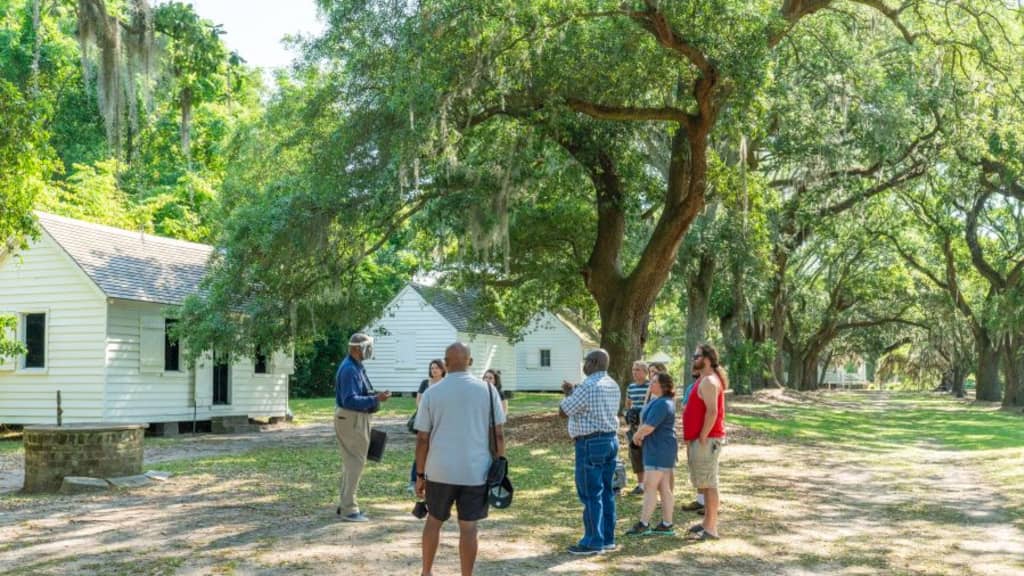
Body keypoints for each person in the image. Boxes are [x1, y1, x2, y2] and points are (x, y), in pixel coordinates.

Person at [414, 343, 506, 576]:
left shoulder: (432, 392)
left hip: (439, 469)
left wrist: (420, 474)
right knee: (468, 528)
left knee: (434, 521)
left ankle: (426, 572)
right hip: (475, 471)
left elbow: (422, 438)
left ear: (445, 363)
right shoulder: (487, 390)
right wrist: (500, 462)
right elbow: (498, 434)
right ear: (470, 362)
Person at [559, 349, 621, 555]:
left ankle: (593, 541)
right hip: (610, 440)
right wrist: (573, 392)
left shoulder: (588, 386)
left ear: (593, 362)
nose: (583, 365)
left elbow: (563, 411)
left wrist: (569, 395)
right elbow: (587, 406)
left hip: (590, 444)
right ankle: (608, 538)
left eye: (586, 361)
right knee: (607, 492)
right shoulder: (612, 384)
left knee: (591, 493)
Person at [334, 332, 391, 522]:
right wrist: (376, 398)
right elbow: (350, 400)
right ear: (357, 349)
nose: (370, 350)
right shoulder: (350, 369)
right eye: (368, 347)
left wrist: (375, 397)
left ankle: (345, 503)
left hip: (355, 419)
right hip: (352, 419)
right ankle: (349, 509)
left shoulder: (356, 367)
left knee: (353, 462)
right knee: (355, 462)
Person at [683, 343, 728, 540]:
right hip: (700, 439)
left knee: (710, 484)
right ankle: (706, 523)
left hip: (707, 440)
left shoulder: (709, 381)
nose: (693, 359)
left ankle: (711, 529)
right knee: (705, 483)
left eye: (696, 356)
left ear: (707, 359)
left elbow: (712, 411)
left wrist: (702, 435)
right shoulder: (703, 380)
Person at [626, 372, 678, 536]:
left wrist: (636, 436)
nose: (650, 384)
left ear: (664, 386)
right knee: (663, 487)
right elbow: (644, 419)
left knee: (649, 486)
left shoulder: (663, 404)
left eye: (654, 382)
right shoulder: (658, 401)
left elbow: (649, 427)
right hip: (658, 448)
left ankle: (644, 523)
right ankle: (667, 524)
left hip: (659, 450)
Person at [408, 359, 446, 492]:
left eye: (436, 368)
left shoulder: (446, 384)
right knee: (422, 448)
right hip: (425, 421)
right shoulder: (425, 383)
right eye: (432, 368)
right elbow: (419, 401)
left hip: (439, 422)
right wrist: (426, 414)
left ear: (443, 369)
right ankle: (414, 479)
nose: (434, 370)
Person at [679, 366, 706, 515]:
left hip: (702, 434)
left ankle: (710, 503)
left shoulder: (708, 384)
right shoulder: (691, 387)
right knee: (695, 467)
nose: (693, 367)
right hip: (691, 433)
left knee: (705, 469)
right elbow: (684, 405)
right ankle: (700, 500)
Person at [625, 361, 650, 496]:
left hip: (647, 425)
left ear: (646, 372)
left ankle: (650, 483)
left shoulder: (650, 386)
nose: (635, 372)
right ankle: (641, 485)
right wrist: (628, 413)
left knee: (648, 454)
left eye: (638, 370)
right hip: (634, 426)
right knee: (636, 454)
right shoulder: (631, 387)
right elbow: (628, 403)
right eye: (634, 370)